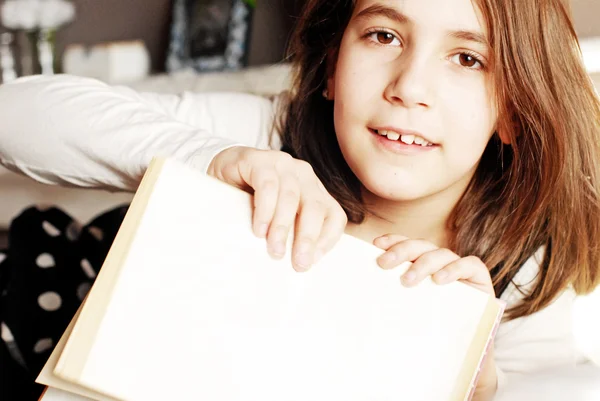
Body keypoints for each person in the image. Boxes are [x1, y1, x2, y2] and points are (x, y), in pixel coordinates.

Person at [0, 0, 599, 400]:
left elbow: (552, 383)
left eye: (467, 58)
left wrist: (473, 373)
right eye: (383, 35)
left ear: (514, 112)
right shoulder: (265, 134)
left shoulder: (518, 261)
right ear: (333, 67)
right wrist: (206, 156)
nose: (409, 87)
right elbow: (15, 116)